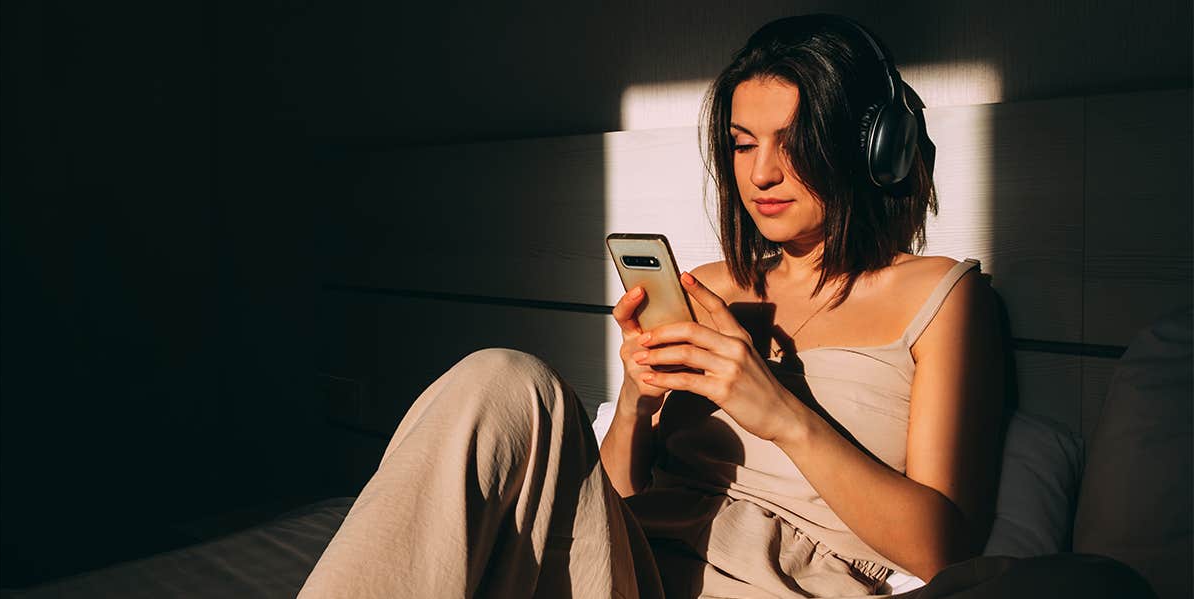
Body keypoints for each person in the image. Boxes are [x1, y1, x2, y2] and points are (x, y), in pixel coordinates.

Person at [298, 14, 1156, 599]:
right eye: (743, 146)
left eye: (793, 143)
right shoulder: (710, 286)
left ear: (870, 149)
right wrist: (637, 400)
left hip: (788, 582)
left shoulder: (941, 296)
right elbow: (623, 495)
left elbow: (943, 545)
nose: (761, 174)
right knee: (504, 379)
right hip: (632, 567)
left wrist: (775, 407)